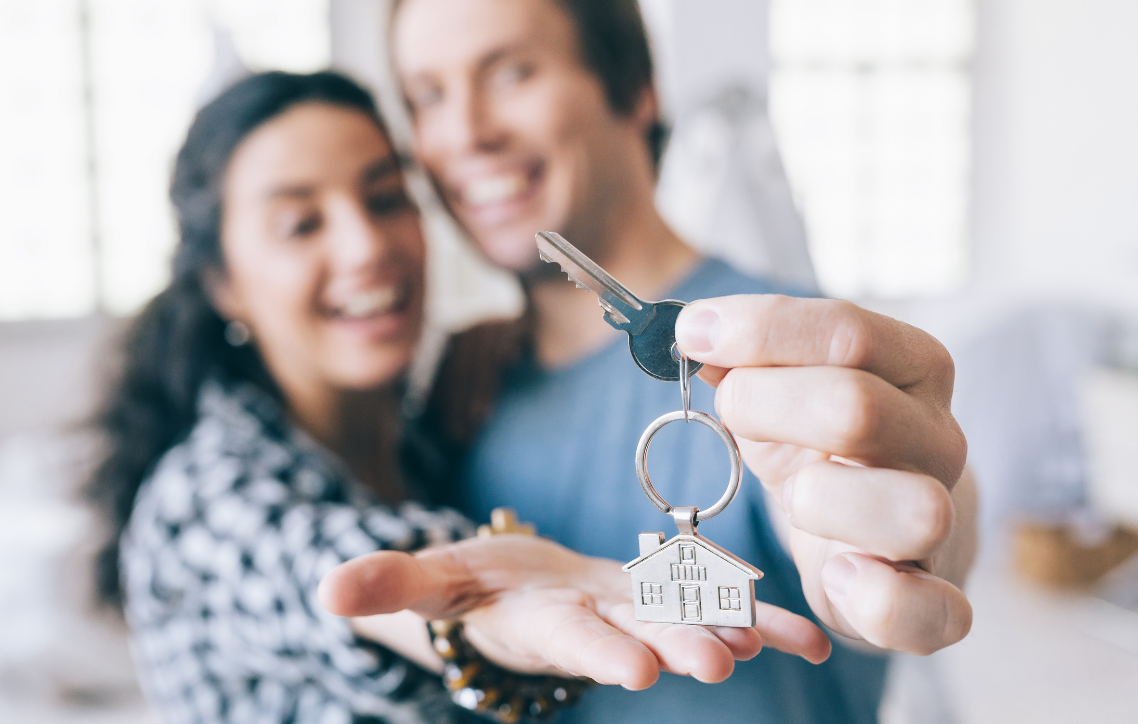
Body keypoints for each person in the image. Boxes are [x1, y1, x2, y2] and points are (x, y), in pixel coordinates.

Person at [87, 70, 825, 724]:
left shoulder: (441, 426)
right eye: (301, 223)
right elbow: (329, 567)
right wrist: (465, 600)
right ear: (221, 283)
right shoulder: (204, 498)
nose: (366, 244)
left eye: (384, 197)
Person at [326, 0, 979, 722]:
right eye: (428, 96)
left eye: (512, 72)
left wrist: (884, 551)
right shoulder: (460, 379)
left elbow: (875, 484)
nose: (465, 133)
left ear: (636, 87)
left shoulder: (777, 346)